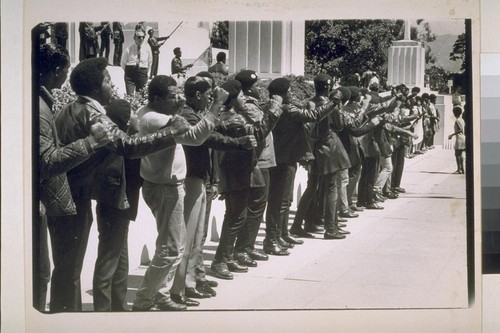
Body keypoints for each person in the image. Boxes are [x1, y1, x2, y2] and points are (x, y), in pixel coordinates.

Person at [53, 57, 190, 312]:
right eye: (107, 81)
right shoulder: (93, 114)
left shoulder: (68, 109)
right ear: (95, 88)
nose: (112, 87)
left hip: (73, 194)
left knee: (69, 267)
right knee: (76, 268)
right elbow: (128, 146)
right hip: (83, 194)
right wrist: (171, 133)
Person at [132, 75, 228, 311]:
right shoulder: (155, 119)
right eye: (173, 95)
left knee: (174, 246)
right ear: (157, 98)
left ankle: (161, 294)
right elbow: (196, 137)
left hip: (165, 185)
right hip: (165, 188)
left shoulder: (148, 111)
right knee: (171, 248)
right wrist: (215, 105)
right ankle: (144, 299)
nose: (180, 98)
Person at [36, 42, 111, 312]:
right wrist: (91, 142)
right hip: (66, 200)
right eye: (64, 70)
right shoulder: (43, 108)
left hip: (64, 199)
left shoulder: (50, 105)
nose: (66, 75)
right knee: (59, 272)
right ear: (56, 70)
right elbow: (46, 160)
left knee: (61, 271)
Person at [169, 76, 257, 306]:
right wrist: (238, 142)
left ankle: (191, 281)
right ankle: (182, 287)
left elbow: (213, 134)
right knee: (188, 239)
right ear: (197, 95)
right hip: (191, 179)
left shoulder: (195, 112)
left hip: (201, 178)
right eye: (208, 94)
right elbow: (207, 138)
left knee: (197, 236)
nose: (211, 98)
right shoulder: (186, 114)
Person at [210, 79, 283, 280]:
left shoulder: (234, 116)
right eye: (241, 95)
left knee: (237, 216)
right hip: (235, 171)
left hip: (241, 169)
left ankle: (228, 256)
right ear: (233, 99)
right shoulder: (232, 119)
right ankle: (220, 261)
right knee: (235, 217)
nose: (245, 98)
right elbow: (259, 133)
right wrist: (274, 110)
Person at [121, 29, 152, 96]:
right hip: (130, 73)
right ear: (134, 38)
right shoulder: (129, 49)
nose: (141, 39)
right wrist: (129, 71)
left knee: (142, 95)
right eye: (139, 37)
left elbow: (150, 62)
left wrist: (146, 73)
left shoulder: (147, 49)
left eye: (143, 37)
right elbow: (123, 63)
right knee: (130, 95)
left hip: (142, 72)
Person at [448, 106, 466, 174]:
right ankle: (462, 168)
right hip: (462, 137)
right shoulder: (462, 120)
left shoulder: (458, 120)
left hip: (459, 138)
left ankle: (459, 169)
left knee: (457, 154)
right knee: (460, 154)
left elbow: (460, 130)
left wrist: (451, 135)